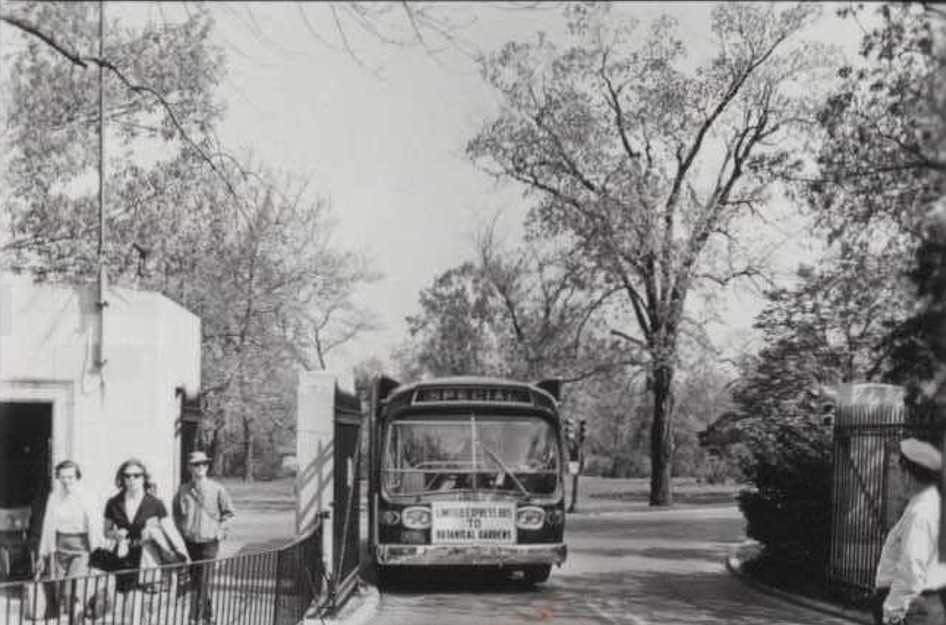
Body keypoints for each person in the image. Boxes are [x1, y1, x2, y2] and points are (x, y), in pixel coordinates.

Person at [873, 438, 946, 625]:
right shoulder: (926, 505)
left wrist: (893, 615)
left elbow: (911, 568)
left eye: (897, 470)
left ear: (908, 474)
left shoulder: (919, 512)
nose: (896, 478)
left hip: (907, 608)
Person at [103, 458, 189, 594]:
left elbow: (170, 530)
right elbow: (106, 532)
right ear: (122, 479)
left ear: (144, 478)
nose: (132, 479)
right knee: (127, 597)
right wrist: (116, 534)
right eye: (127, 476)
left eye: (136, 475)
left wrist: (183, 555)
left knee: (148, 597)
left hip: (148, 555)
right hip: (124, 555)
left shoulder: (155, 503)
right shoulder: (113, 503)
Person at [173, 451, 235, 625]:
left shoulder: (217, 489)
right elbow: (176, 514)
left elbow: (229, 514)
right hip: (189, 543)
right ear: (190, 467)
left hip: (209, 543)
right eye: (196, 464)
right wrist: (182, 532)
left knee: (204, 579)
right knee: (197, 581)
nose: (200, 467)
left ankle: (195, 618)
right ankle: (209, 616)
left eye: (204, 464)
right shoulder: (183, 490)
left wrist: (220, 531)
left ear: (207, 467)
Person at [37, 460, 103, 617]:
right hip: (59, 548)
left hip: (81, 548)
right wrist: (43, 553)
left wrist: (97, 552)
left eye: (70, 477)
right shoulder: (54, 497)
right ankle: (73, 614)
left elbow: (95, 525)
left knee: (72, 587)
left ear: (77, 477)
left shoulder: (87, 497)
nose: (66, 481)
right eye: (62, 477)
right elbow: (48, 525)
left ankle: (76, 614)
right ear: (58, 478)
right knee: (60, 589)